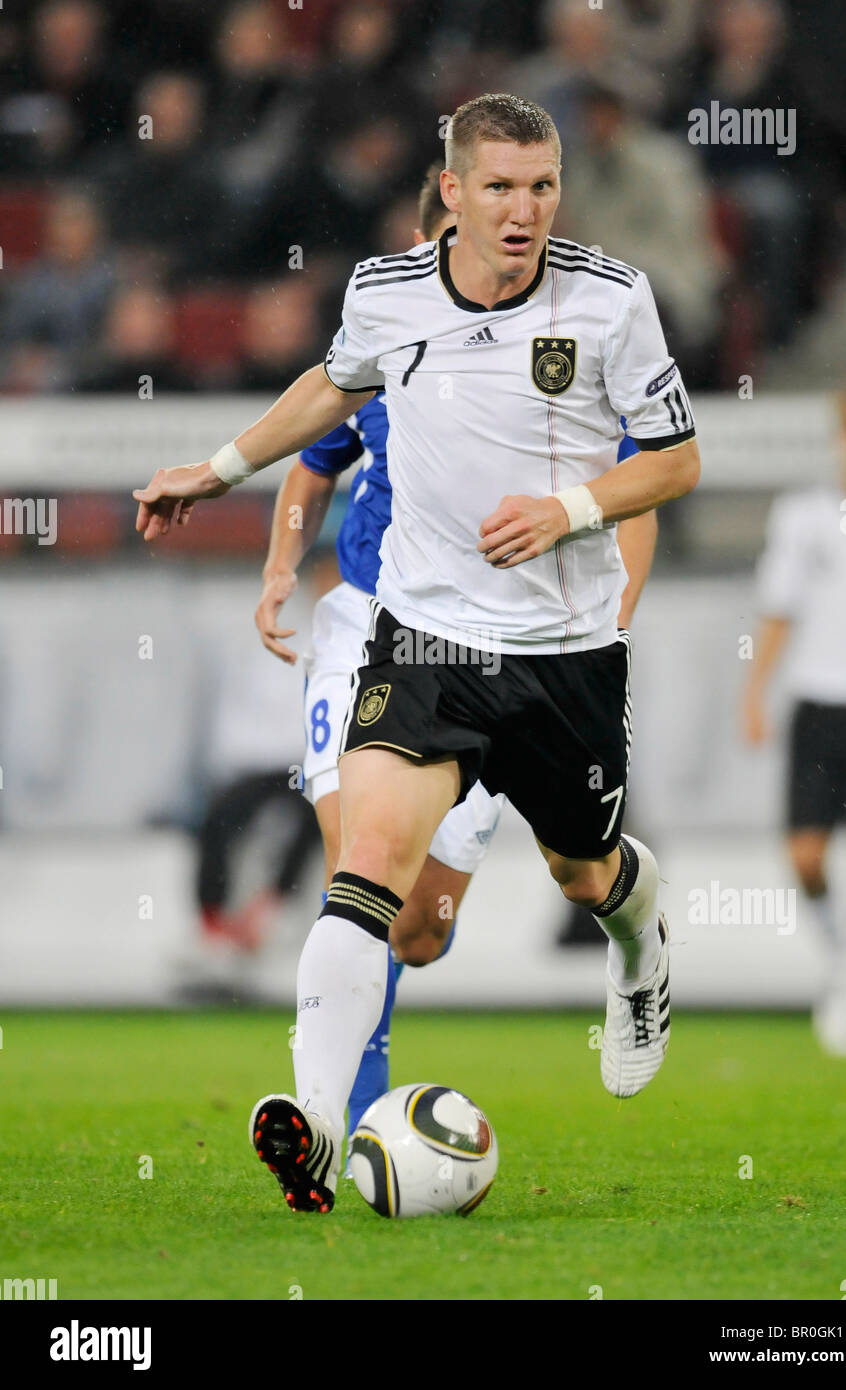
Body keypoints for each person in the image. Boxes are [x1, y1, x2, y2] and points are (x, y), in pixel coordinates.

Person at [134, 93, 700, 1215]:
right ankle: (320, 1130)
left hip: (564, 652)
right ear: (451, 192)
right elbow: (327, 394)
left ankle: (641, 949)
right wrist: (218, 467)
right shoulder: (385, 294)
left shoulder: (611, 299)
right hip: (425, 634)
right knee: (368, 871)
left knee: (584, 872)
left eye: (541, 185)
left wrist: (571, 508)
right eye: (499, 186)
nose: (524, 208)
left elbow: (676, 462)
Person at [254, 161, 657, 1154]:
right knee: (360, 859)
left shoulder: (557, 358)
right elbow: (311, 465)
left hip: (525, 644)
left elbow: (639, 475)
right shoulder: (388, 342)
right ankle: (330, 1119)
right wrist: (276, 569)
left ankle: (633, 926)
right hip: (377, 628)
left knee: (424, 926)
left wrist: (614, 613)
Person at [743, 390, 846, 1054]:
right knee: (805, 856)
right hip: (818, 702)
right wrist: (754, 692)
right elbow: (780, 609)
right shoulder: (804, 515)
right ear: (843, 438)